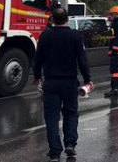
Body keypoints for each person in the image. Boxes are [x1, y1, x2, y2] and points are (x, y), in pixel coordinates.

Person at [33, 8, 92, 162]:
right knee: (71, 113)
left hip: (51, 83)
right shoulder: (75, 36)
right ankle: (70, 143)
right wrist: (87, 79)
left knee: (52, 117)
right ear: (67, 19)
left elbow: (38, 59)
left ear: (52, 19)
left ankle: (54, 152)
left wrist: (37, 76)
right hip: (70, 82)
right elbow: (82, 60)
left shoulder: (45, 36)